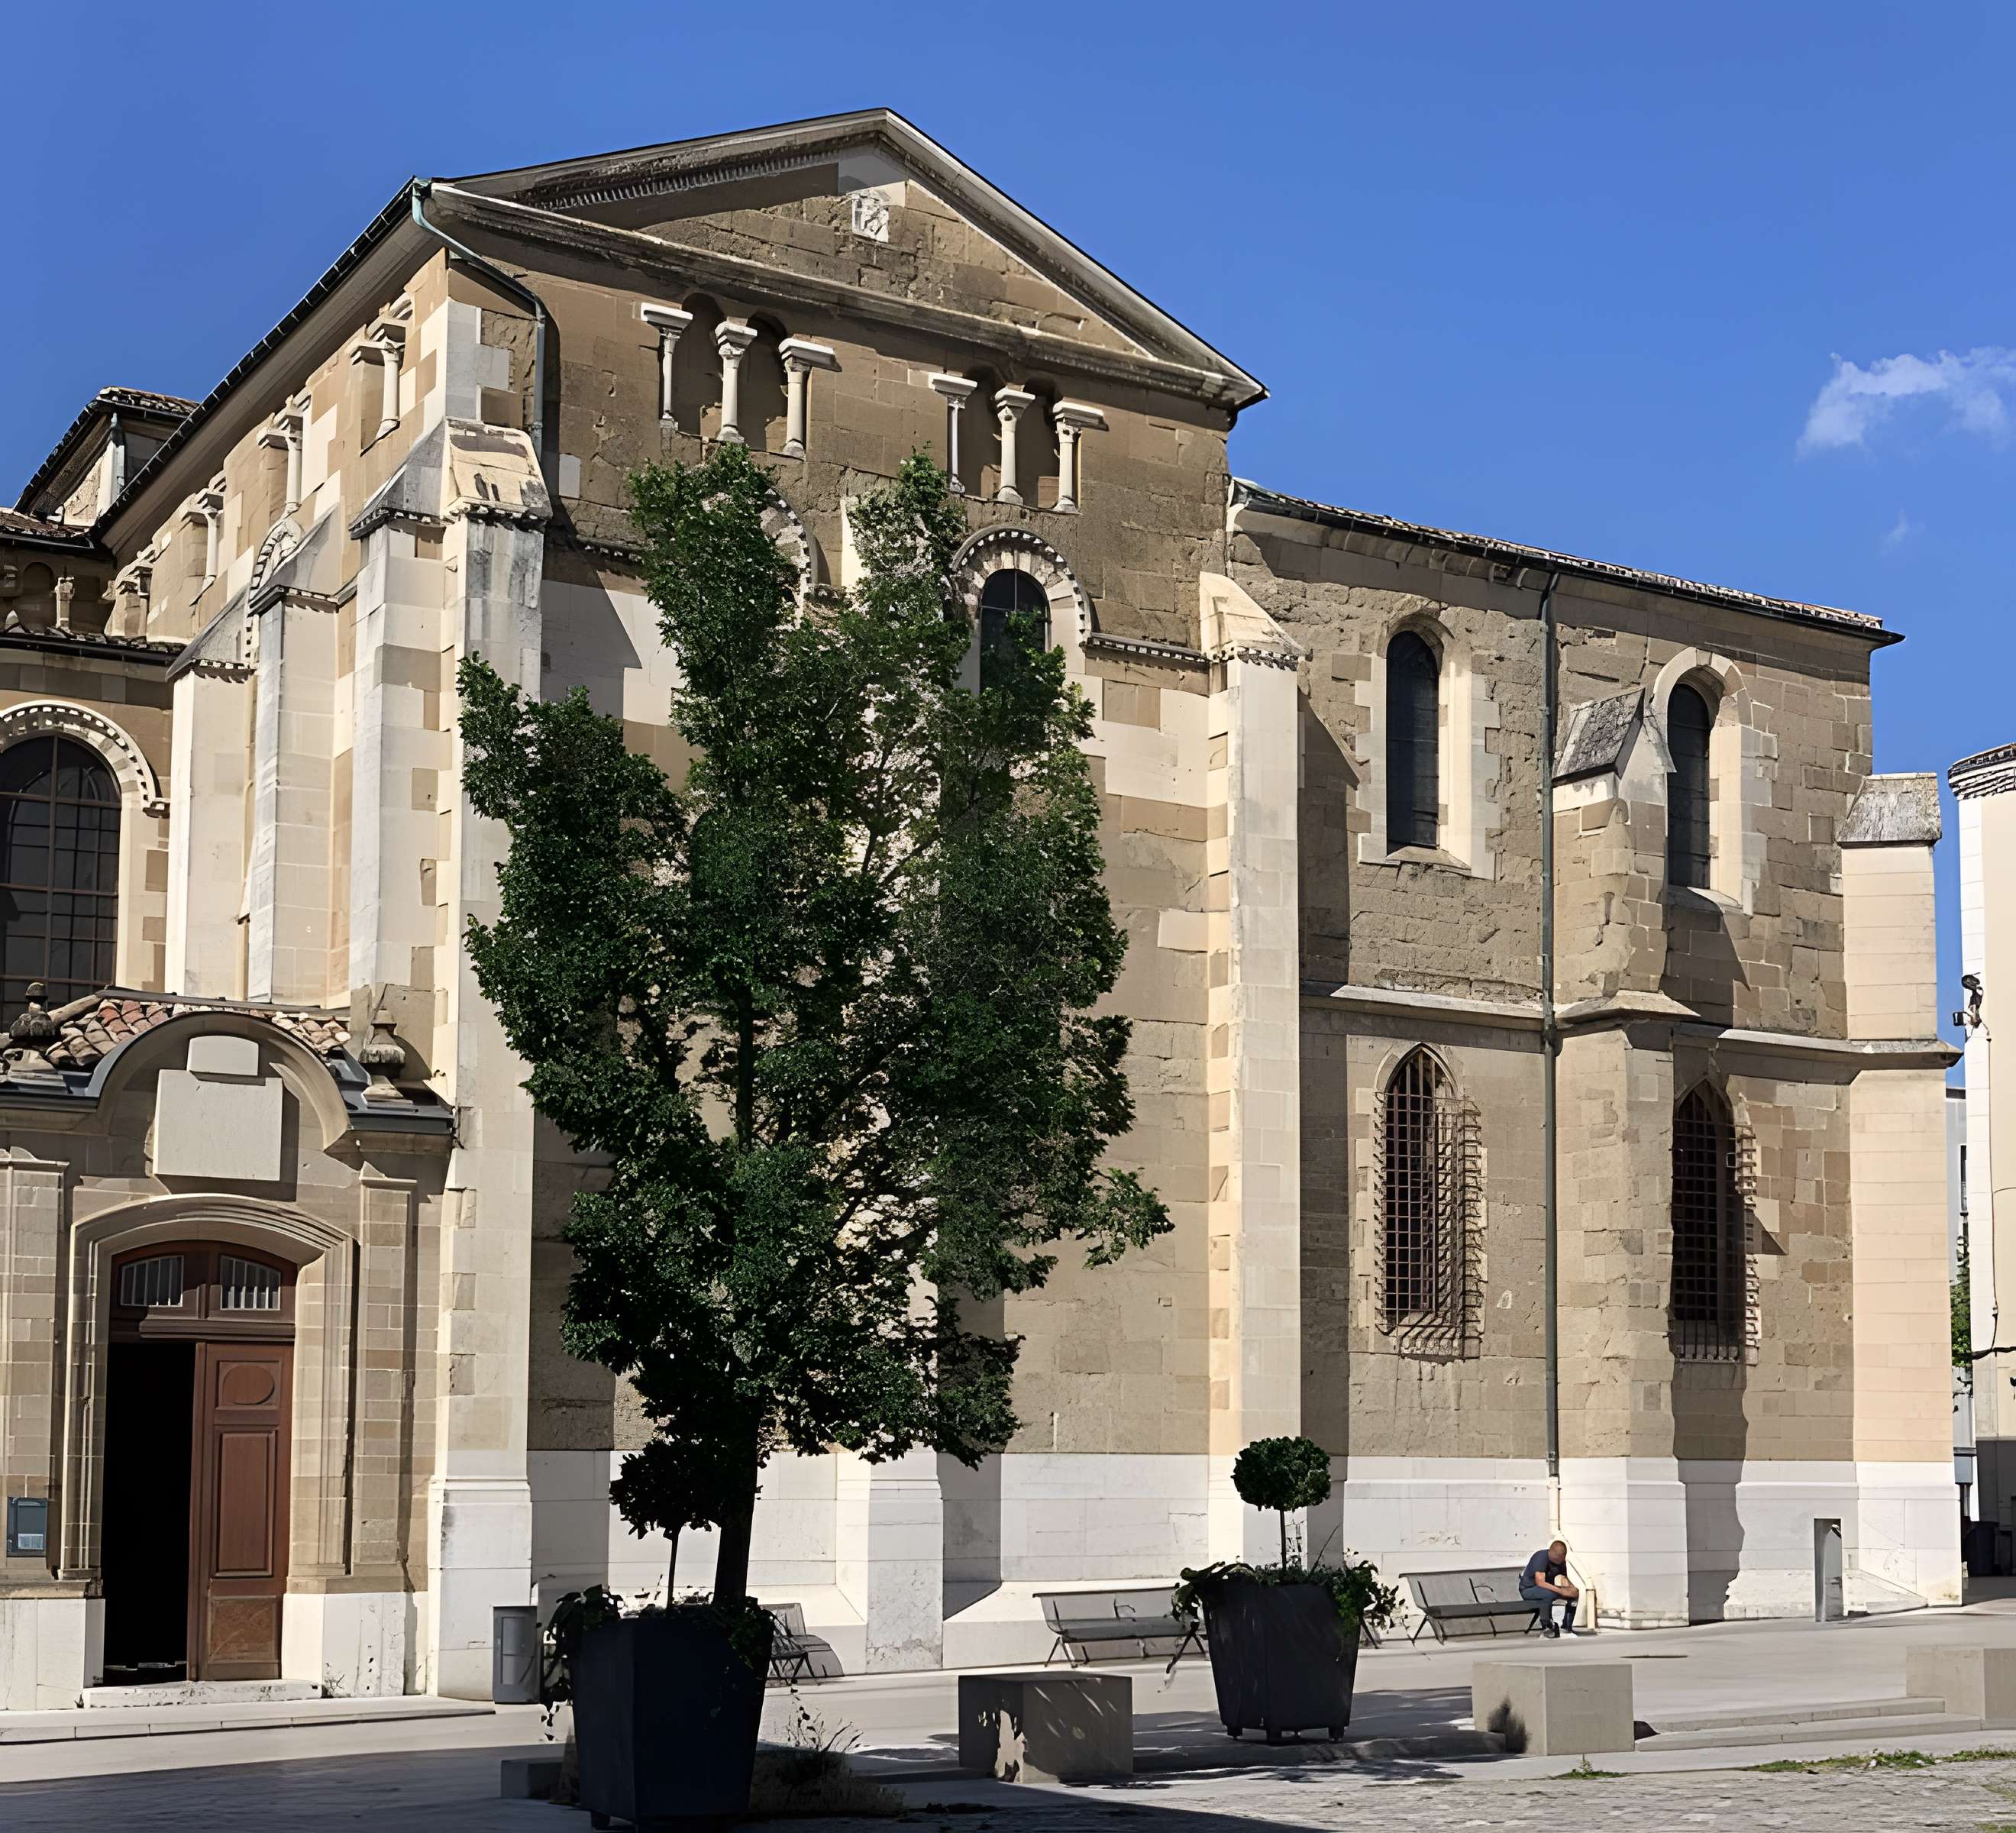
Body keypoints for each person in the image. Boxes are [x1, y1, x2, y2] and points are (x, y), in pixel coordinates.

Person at [1521, 1539, 1579, 1637]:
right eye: (1558, 1556)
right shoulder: (1541, 1557)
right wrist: (1561, 1591)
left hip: (1547, 1588)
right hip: (1529, 1589)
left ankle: (1567, 1626)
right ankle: (1546, 1625)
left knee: (1573, 1594)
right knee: (1548, 1594)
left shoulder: (1561, 1562)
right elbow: (1540, 1582)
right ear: (1552, 1553)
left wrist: (1570, 1589)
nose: (1560, 1559)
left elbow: (1564, 1578)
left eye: (1562, 1557)